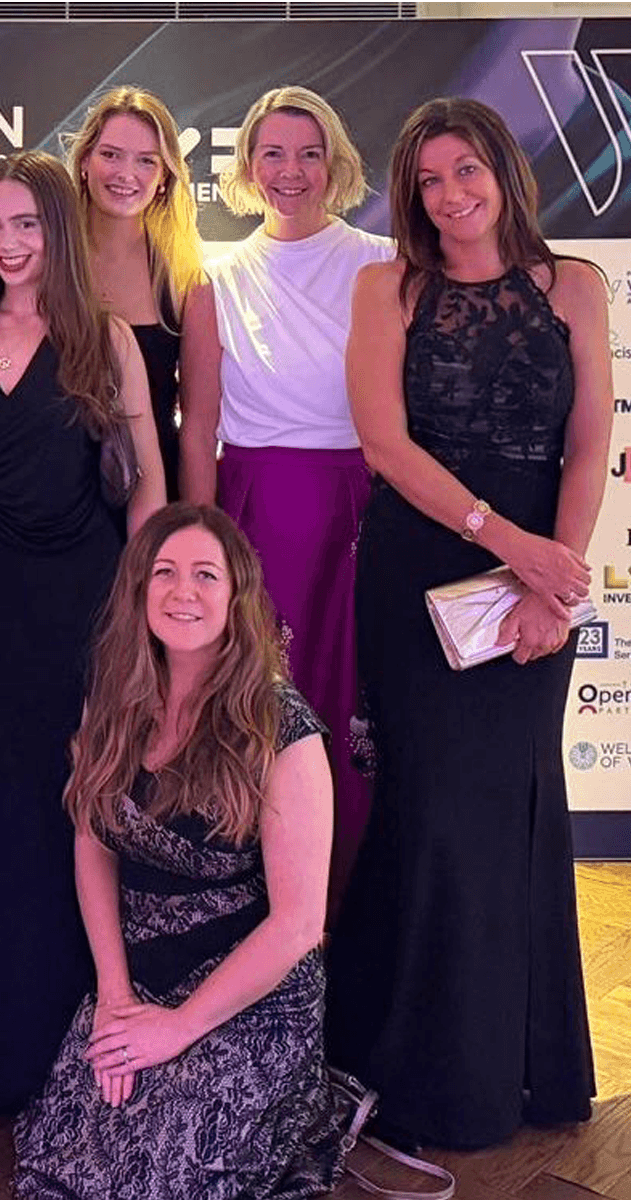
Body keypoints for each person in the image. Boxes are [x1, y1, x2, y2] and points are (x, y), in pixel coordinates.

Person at [327, 97, 609, 1150]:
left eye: (465, 171)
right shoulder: (386, 285)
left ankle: (526, 1072)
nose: (450, 195)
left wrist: (553, 574)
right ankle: (412, 1073)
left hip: (535, 578)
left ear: (502, 171)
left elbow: (586, 447)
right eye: (430, 180)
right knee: (432, 808)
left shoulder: (573, 287)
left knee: (519, 809)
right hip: (423, 568)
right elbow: (384, 446)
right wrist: (506, 542)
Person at [14, 503, 347, 1200]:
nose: (182, 592)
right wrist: (113, 997)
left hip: (252, 993)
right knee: (74, 1156)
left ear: (237, 597)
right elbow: (93, 841)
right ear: (138, 592)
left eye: (205, 575)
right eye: (163, 573)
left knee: (167, 1168)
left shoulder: (284, 729)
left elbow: (298, 924)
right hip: (143, 977)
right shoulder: (115, 699)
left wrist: (178, 1029)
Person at [0, 150, 165, 1114]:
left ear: (58, 232)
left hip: (79, 603)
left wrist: (143, 612)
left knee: (69, 807)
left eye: (27, 225)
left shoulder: (106, 338)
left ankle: (75, 1043)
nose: (9, 243)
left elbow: (148, 480)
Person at [177, 85, 392, 913]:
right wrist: (201, 550)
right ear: (246, 166)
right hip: (253, 511)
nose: (291, 170)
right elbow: (198, 427)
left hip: (359, 508)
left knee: (351, 701)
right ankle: (249, 901)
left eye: (309, 153)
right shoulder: (215, 277)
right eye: (273, 152)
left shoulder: (381, 260)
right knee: (257, 699)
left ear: (335, 163)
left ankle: (345, 909)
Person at [69, 86, 202, 501]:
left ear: (164, 178)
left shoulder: (185, 279)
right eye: (110, 155)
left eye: (146, 161)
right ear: (85, 161)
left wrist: (198, 529)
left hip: (150, 496)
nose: (126, 174)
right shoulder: (43, 258)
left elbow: (198, 428)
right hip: (50, 498)